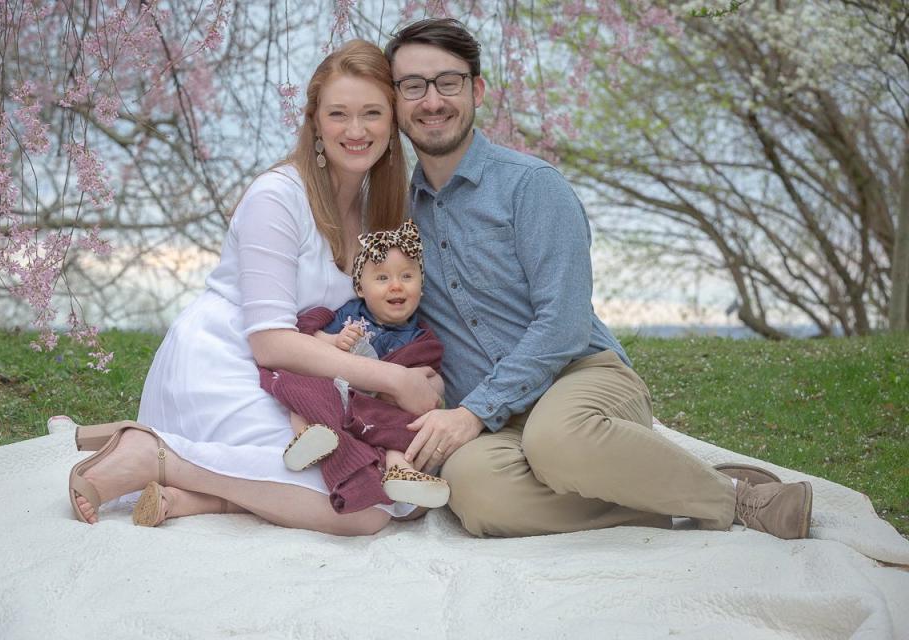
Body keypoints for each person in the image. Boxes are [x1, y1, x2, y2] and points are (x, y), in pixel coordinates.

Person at [383, 18, 813, 539]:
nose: (432, 101)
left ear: (476, 89)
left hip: (581, 378)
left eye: (447, 82)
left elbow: (562, 325)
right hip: (502, 420)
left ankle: (742, 498)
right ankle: (654, 493)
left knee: (557, 440)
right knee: (475, 494)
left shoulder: (532, 187)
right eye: (413, 86)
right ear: (397, 100)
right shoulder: (398, 217)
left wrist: (473, 411)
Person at [67, 39, 442, 535]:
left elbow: (381, 320)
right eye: (338, 114)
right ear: (314, 123)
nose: (356, 130)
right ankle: (154, 455)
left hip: (311, 381)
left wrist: (421, 377)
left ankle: (192, 499)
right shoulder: (278, 197)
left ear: (391, 127)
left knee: (396, 492)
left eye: (372, 113)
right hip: (230, 360)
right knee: (362, 508)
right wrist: (393, 381)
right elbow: (269, 341)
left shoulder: (379, 214)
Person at [259, 219, 450, 514]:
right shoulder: (349, 316)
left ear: (421, 289)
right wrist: (335, 340)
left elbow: (431, 376)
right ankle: (308, 436)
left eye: (407, 276)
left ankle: (400, 471)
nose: (396, 285)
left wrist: (427, 388)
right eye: (382, 278)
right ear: (360, 288)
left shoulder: (420, 336)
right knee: (302, 388)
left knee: (405, 420)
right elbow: (308, 337)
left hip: (379, 406)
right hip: (341, 390)